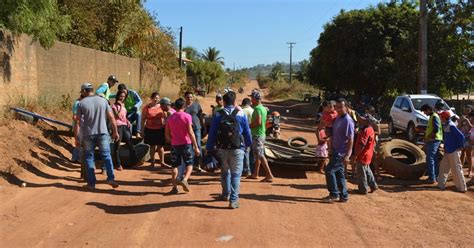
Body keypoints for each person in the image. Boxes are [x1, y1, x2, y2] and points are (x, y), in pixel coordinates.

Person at [206, 91, 252, 209]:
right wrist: (248, 145)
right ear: (235, 101)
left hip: (222, 148)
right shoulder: (241, 114)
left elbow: (212, 133)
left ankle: (225, 194)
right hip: (238, 149)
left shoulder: (218, 114)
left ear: (224, 102)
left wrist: (209, 148)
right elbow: (247, 132)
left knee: (225, 172)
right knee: (236, 175)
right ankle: (233, 200)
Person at [74, 83, 120, 189]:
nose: (82, 94)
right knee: (106, 156)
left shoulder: (81, 103)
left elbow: (77, 122)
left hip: (88, 135)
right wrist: (115, 132)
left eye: (82, 92)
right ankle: (110, 178)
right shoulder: (103, 101)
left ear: (85, 91)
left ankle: (91, 184)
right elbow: (112, 118)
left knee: (89, 158)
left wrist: (77, 137)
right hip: (103, 133)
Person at [165, 98, 200, 194]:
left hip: (175, 144)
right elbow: (190, 131)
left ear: (175, 107)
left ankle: (174, 187)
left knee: (174, 165)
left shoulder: (170, 118)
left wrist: (172, 140)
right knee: (189, 163)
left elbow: (167, 134)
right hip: (186, 143)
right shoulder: (187, 116)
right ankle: (185, 179)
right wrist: (196, 146)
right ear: (184, 107)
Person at [323, 98, 354, 203]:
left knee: (329, 170)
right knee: (339, 173)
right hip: (336, 149)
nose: (339, 109)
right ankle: (344, 196)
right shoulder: (338, 118)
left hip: (341, 151)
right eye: (337, 107)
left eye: (341, 107)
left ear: (346, 107)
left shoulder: (347, 120)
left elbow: (350, 139)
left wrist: (348, 155)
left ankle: (334, 194)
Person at [247, 90, 274, 182]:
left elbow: (258, 122)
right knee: (257, 155)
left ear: (254, 98)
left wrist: (248, 125)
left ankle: (269, 175)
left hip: (257, 135)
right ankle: (255, 173)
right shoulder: (263, 108)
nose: (251, 99)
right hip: (261, 134)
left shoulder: (258, 109)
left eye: (251, 98)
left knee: (260, 155)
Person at [437, 111, 467, 193]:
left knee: (456, 169)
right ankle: (441, 185)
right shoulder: (446, 125)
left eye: (441, 117)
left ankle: (462, 188)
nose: (440, 118)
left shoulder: (451, 125)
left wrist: (461, 146)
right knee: (443, 167)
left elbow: (461, 136)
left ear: (444, 118)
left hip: (453, 151)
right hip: (448, 151)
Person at [111, 90, 137, 171]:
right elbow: (117, 116)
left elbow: (124, 117)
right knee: (117, 146)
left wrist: (128, 121)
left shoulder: (123, 105)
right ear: (118, 96)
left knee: (130, 144)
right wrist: (120, 106)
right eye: (121, 96)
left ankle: (133, 163)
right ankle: (118, 164)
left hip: (125, 126)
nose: (122, 98)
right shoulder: (114, 105)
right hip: (118, 126)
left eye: (123, 96)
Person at [352, 115, 378, 194]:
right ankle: (373, 185)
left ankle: (363, 189)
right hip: (368, 154)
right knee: (367, 171)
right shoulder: (370, 129)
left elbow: (362, 144)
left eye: (363, 120)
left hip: (362, 155)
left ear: (367, 121)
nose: (360, 120)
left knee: (361, 173)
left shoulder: (366, 131)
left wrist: (356, 154)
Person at [140, 92, 167, 168]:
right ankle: (152, 162)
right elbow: (143, 119)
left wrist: (166, 128)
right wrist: (142, 130)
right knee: (152, 146)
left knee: (160, 147)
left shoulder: (162, 107)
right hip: (149, 129)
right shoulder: (147, 107)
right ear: (151, 99)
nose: (156, 99)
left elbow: (166, 117)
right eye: (155, 98)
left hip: (160, 129)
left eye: (158, 98)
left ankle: (162, 162)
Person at [421, 104, 443, 184]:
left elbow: (436, 129)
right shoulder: (433, 116)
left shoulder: (434, 116)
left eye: (424, 111)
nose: (424, 113)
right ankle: (435, 176)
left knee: (430, 158)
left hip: (434, 140)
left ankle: (432, 178)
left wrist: (428, 138)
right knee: (434, 158)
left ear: (428, 110)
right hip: (435, 140)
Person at [184, 91, 205, 172]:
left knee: (198, 145)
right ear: (185, 97)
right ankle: (189, 164)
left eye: (191, 97)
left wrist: (203, 126)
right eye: (188, 97)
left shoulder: (196, 105)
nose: (190, 98)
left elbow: (200, 115)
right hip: (186, 129)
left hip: (196, 127)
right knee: (188, 147)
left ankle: (199, 164)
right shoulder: (183, 106)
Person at [458, 105, 472, 177]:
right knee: (462, 154)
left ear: (470, 110)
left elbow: (471, 127)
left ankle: (470, 171)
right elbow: (458, 128)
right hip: (462, 138)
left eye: (468, 110)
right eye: (465, 110)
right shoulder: (462, 117)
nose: (466, 111)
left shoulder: (471, 118)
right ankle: (461, 170)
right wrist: (460, 121)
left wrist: (467, 120)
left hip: (469, 138)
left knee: (469, 155)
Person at [241, 98, 254, 177]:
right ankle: (251, 169)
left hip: (243, 133)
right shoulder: (252, 111)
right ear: (249, 103)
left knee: (245, 151)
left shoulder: (241, 111)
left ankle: (246, 169)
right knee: (251, 152)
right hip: (252, 133)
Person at [71, 93, 85, 163]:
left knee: (78, 142)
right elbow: (75, 117)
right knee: (78, 141)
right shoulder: (78, 103)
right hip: (78, 125)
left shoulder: (79, 103)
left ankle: (75, 158)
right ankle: (78, 158)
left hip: (80, 124)